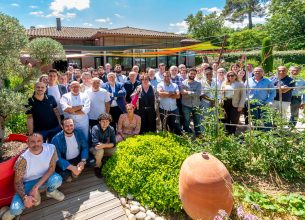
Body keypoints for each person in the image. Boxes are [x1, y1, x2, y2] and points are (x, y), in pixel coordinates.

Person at [2, 133, 64, 220]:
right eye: (32, 142)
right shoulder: (23, 159)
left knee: (57, 179)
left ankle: (51, 192)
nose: (36, 144)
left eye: (39, 141)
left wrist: (36, 187)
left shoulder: (51, 148)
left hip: (45, 177)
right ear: (28, 143)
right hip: (28, 182)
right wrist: (25, 198)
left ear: (43, 141)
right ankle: (11, 212)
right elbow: (17, 182)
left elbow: (51, 169)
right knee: (15, 209)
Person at [91, 113, 116, 178]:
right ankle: (97, 167)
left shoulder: (111, 129)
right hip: (94, 148)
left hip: (103, 146)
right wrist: (106, 145)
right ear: (99, 122)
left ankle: (104, 159)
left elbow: (113, 143)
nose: (105, 123)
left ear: (109, 122)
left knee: (115, 150)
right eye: (103, 121)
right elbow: (96, 144)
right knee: (100, 151)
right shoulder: (95, 128)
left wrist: (104, 145)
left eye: (107, 121)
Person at [181, 68, 203, 135]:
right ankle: (186, 133)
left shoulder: (198, 84)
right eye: (191, 73)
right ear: (188, 73)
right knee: (186, 120)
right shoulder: (183, 83)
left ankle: (198, 134)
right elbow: (182, 92)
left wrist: (188, 92)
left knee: (197, 120)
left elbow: (198, 94)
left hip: (196, 104)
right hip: (186, 105)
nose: (192, 75)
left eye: (194, 74)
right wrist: (193, 92)